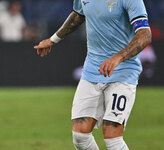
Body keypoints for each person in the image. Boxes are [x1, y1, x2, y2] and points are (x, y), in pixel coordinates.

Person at [34, 0, 152, 149]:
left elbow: (145, 35)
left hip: (123, 71)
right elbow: (78, 14)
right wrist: (53, 39)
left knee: (112, 137)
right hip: (92, 70)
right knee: (80, 136)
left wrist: (118, 57)